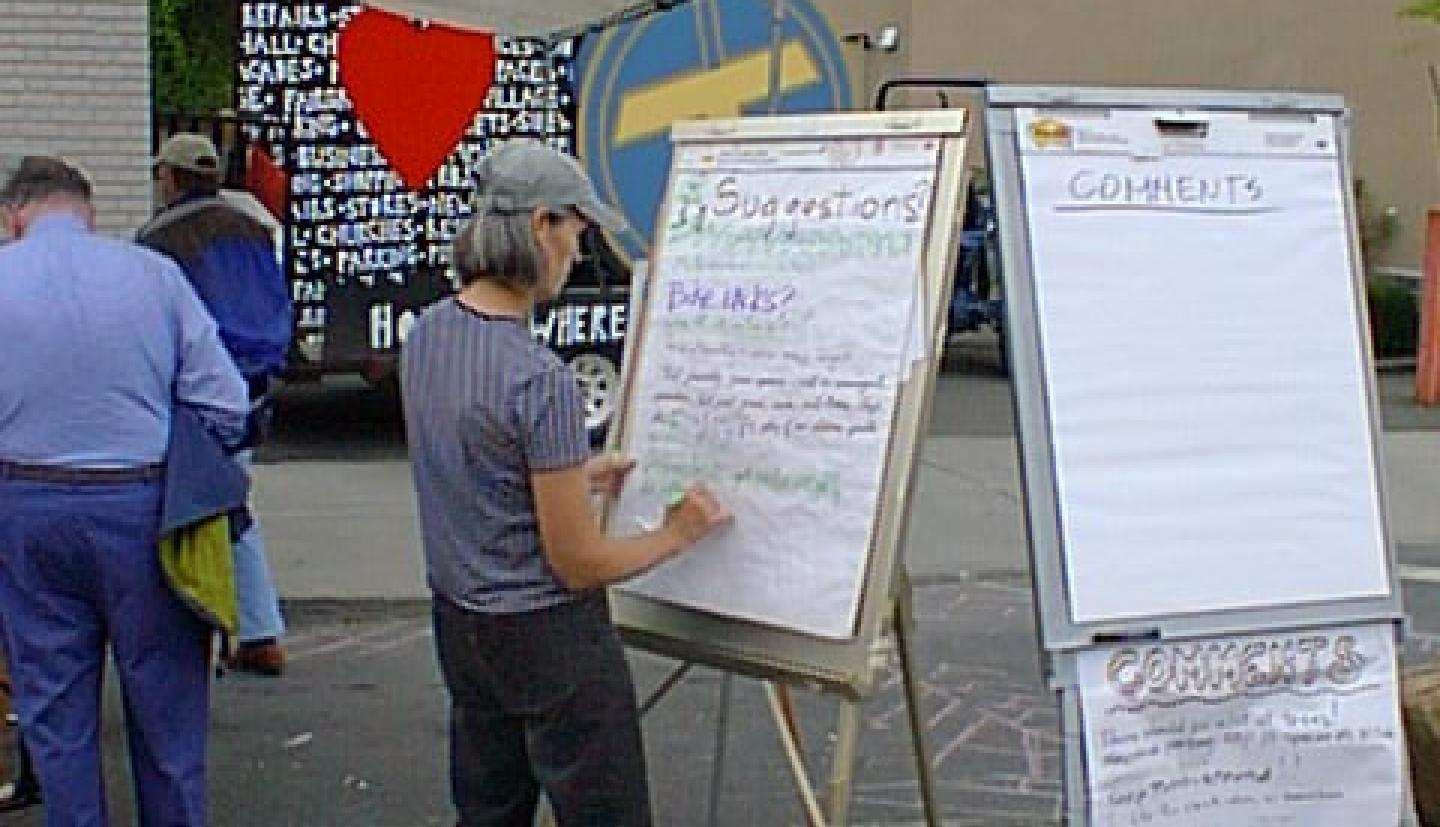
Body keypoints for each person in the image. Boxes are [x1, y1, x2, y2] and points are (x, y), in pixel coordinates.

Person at [400, 140, 733, 827]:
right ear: (540, 225)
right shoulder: (539, 377)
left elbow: (470, 462)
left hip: (462, 622)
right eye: (578, 233)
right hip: (546, 634)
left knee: (489, 809)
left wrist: (572, 473)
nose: (579, 254)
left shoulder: (428, 333)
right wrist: (677, 532)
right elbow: (577, 562)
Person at [0, 155, 249, 825]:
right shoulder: (153, 275)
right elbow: (226, 404)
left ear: (12, 216)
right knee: (168, 712)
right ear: (88, 211)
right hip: (146, 507)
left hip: (26, 506)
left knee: (56, 711)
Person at [139, 133, 293, 676]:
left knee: (187, 512)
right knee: (233, 505)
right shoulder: (253, 227)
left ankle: (207, 636)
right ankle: (257, 628)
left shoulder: (159, 238)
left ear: (172, 178)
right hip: (254, 385)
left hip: (194, 389)